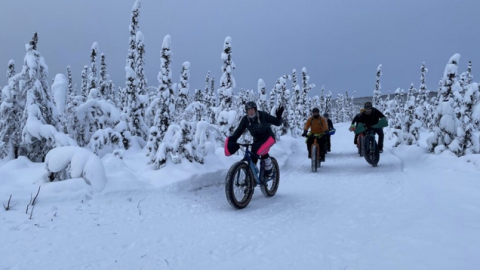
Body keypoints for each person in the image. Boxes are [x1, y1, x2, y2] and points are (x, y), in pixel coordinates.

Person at [225, 101, 284, 178]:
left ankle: (269, 169)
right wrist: (233, 139)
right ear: (246, 111)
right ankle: (251, 179)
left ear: (255, 109)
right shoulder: (245, 120)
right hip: (257, 141)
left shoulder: (263, 115)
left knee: (261, 151)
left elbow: (277, 123)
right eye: (248, 110)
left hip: (268, 137)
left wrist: (279, 117)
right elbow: (239, 131)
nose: (251, 112)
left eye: (252, 109)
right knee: (253, 157)